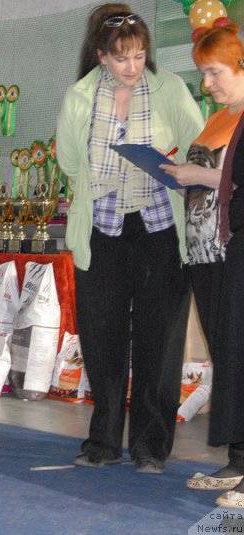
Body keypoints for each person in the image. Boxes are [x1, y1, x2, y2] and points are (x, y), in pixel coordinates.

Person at [55, 4, 204, 474]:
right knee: (102, 337)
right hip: (103, 228)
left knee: (160, 339)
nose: (132, 67)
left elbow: (198, 145)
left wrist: (172, 163)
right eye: (122, 58)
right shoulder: (79, 97)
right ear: (101, 56)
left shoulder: (170, 89)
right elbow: (68, 162)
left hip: (159, 228)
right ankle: (102, 440)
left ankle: (150, 446)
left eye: (139, 56)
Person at [165, 24, 244, 508]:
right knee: (229, 356)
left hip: (230, 244)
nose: (207, 84)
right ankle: (239, 458)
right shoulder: (219, 119)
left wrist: (202, 176)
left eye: (213, 73)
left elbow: (233, 181)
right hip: (206, 248)